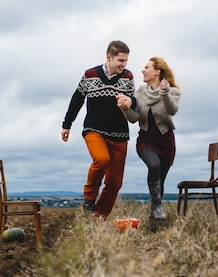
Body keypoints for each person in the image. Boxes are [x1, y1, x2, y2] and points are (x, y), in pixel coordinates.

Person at [61, 41, 137, 218]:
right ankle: (89, 196)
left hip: (119, 134)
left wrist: (128, 102)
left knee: (115, 182)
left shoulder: (128, 77)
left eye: (126, 60)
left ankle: (99, 218)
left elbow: (133, 100)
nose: (124, 65)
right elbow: (77, 99)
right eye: (121, 60)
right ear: (108, 57)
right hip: (94, 130)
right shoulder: (90, 75)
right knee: (102, 159)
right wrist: (67, 124)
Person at [117, 57, 181, 222]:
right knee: (154, 166)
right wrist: (125, 109)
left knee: (161, 181)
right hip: (146, 140)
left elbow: (172, 110)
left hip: (166, 142)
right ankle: (158, 207)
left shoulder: (172, 91)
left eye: (146, 67)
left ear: (157, 71)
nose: (142, 71)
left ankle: (154, 217)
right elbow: (134, 118)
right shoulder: (140, 92)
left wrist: (164, 93)